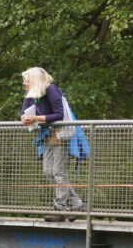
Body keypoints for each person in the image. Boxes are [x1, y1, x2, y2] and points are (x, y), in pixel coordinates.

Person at [19, 67, 84, 221]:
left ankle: (59, 209)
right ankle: (77, 205)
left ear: (34, 80)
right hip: (47, 136)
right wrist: (24, 118)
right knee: (49, 172)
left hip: (61, 135)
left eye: (26, 80)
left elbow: (59, 114)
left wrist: (36, 119)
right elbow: (24, 112)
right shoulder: (32, 94)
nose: (23, 83)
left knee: (59, 173)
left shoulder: (51, 89)